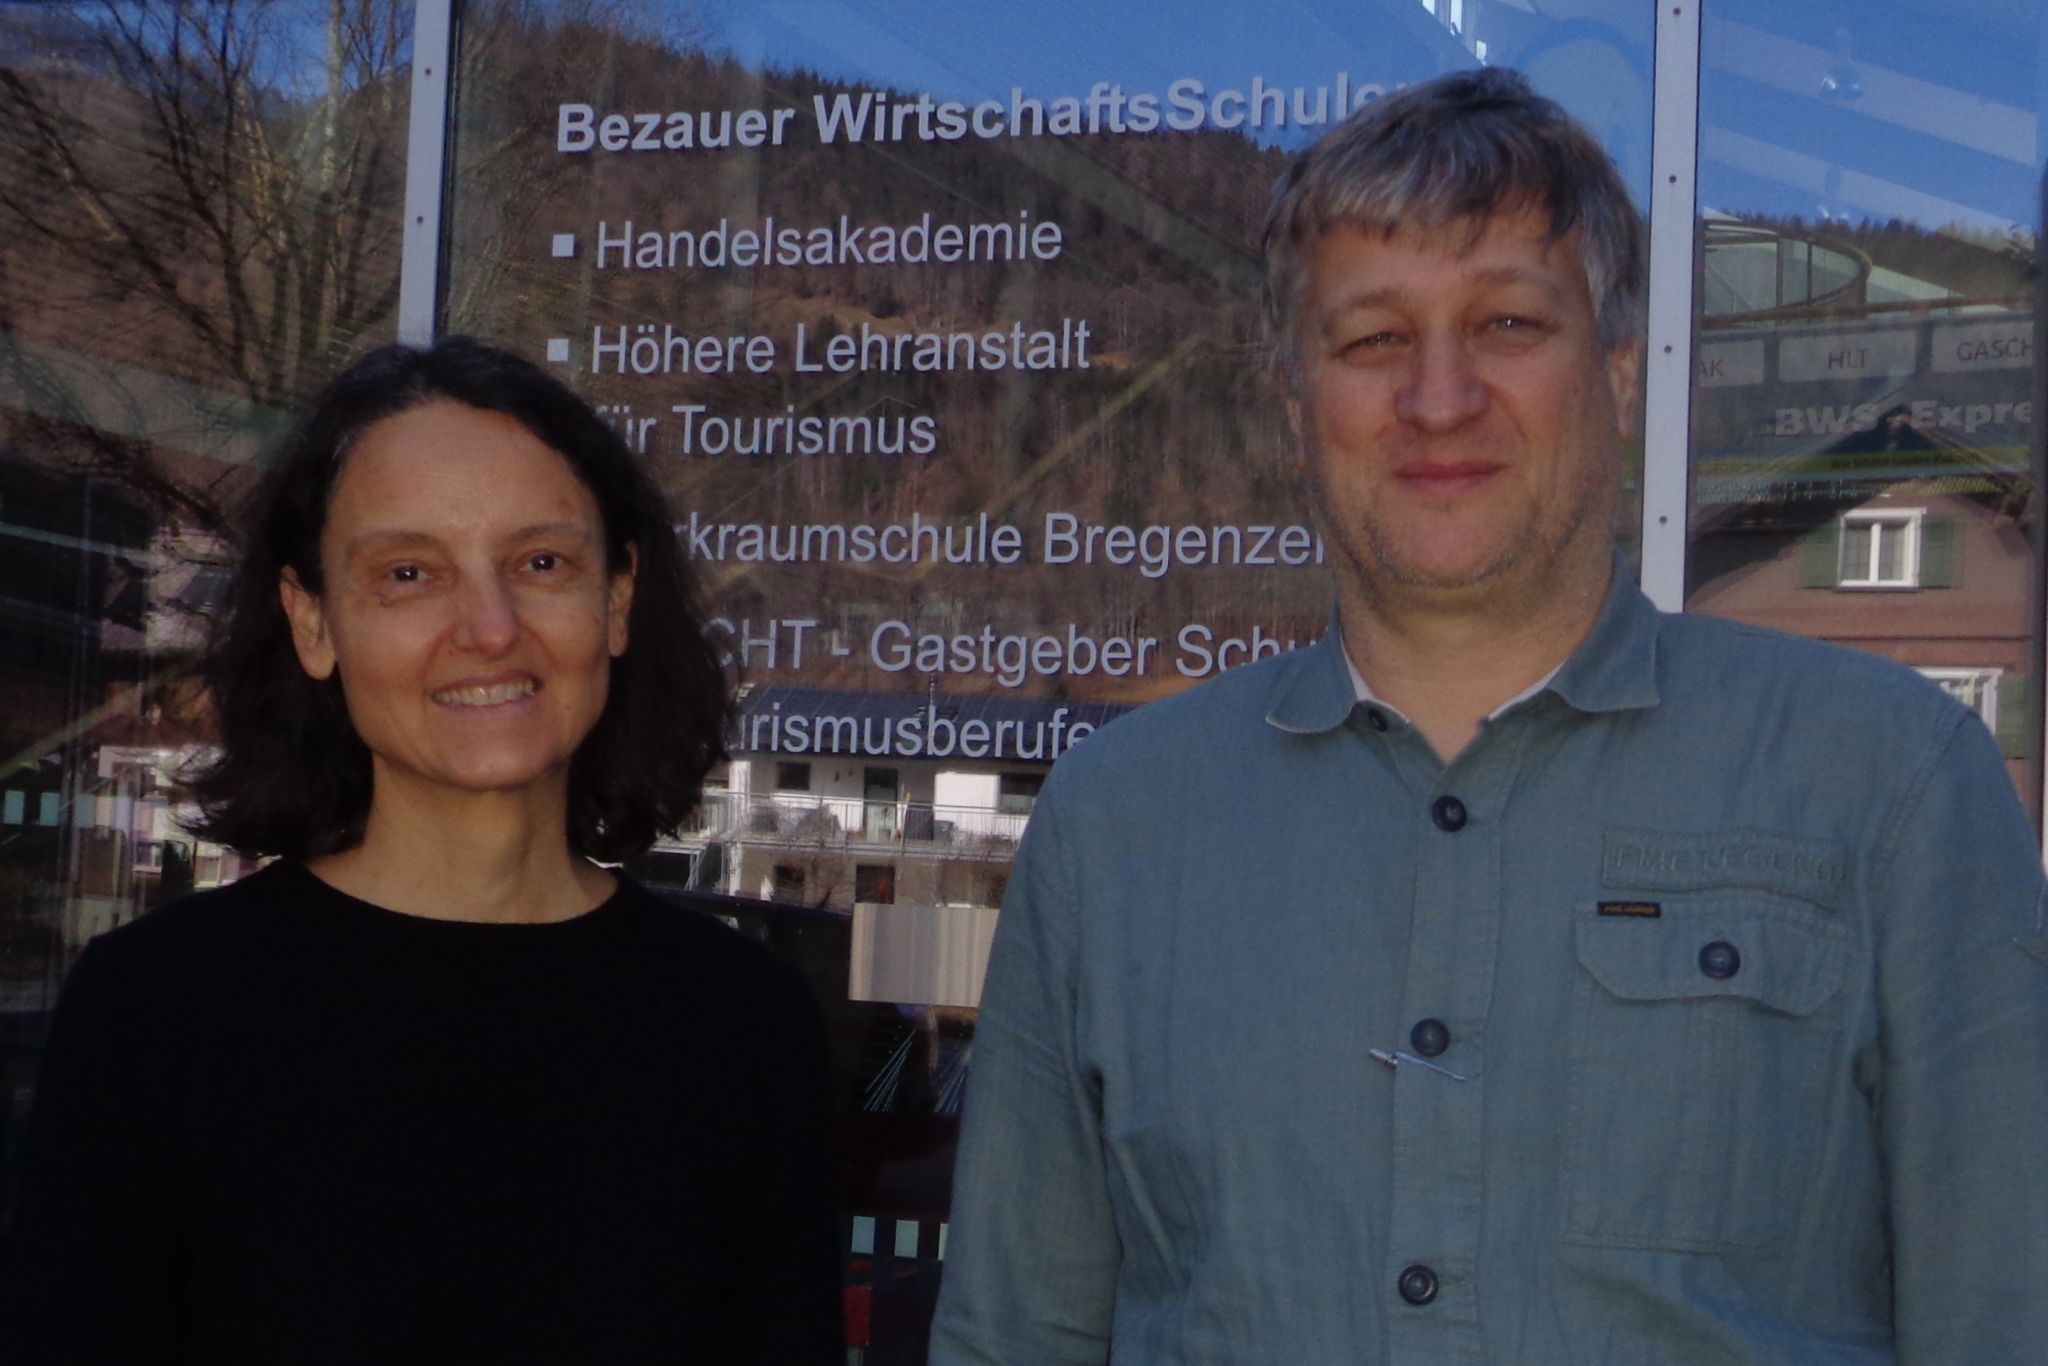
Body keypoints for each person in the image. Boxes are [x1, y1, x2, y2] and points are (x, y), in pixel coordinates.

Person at [931, 68, 2048, 1364]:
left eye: (1510, 322)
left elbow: (2005, 1317)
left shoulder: (1890, 781)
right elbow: (1016, 1332)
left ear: (1622, 376)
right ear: (1298, 406)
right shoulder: (1115, 825)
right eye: (1372, 338)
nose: (1440, 395)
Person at [3, 338, 843, 1364]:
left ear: (616, 599)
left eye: (540, 562)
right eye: (409, 573)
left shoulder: (742, 1027)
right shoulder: (158, 1013)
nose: (488, 629)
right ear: (313, 620)